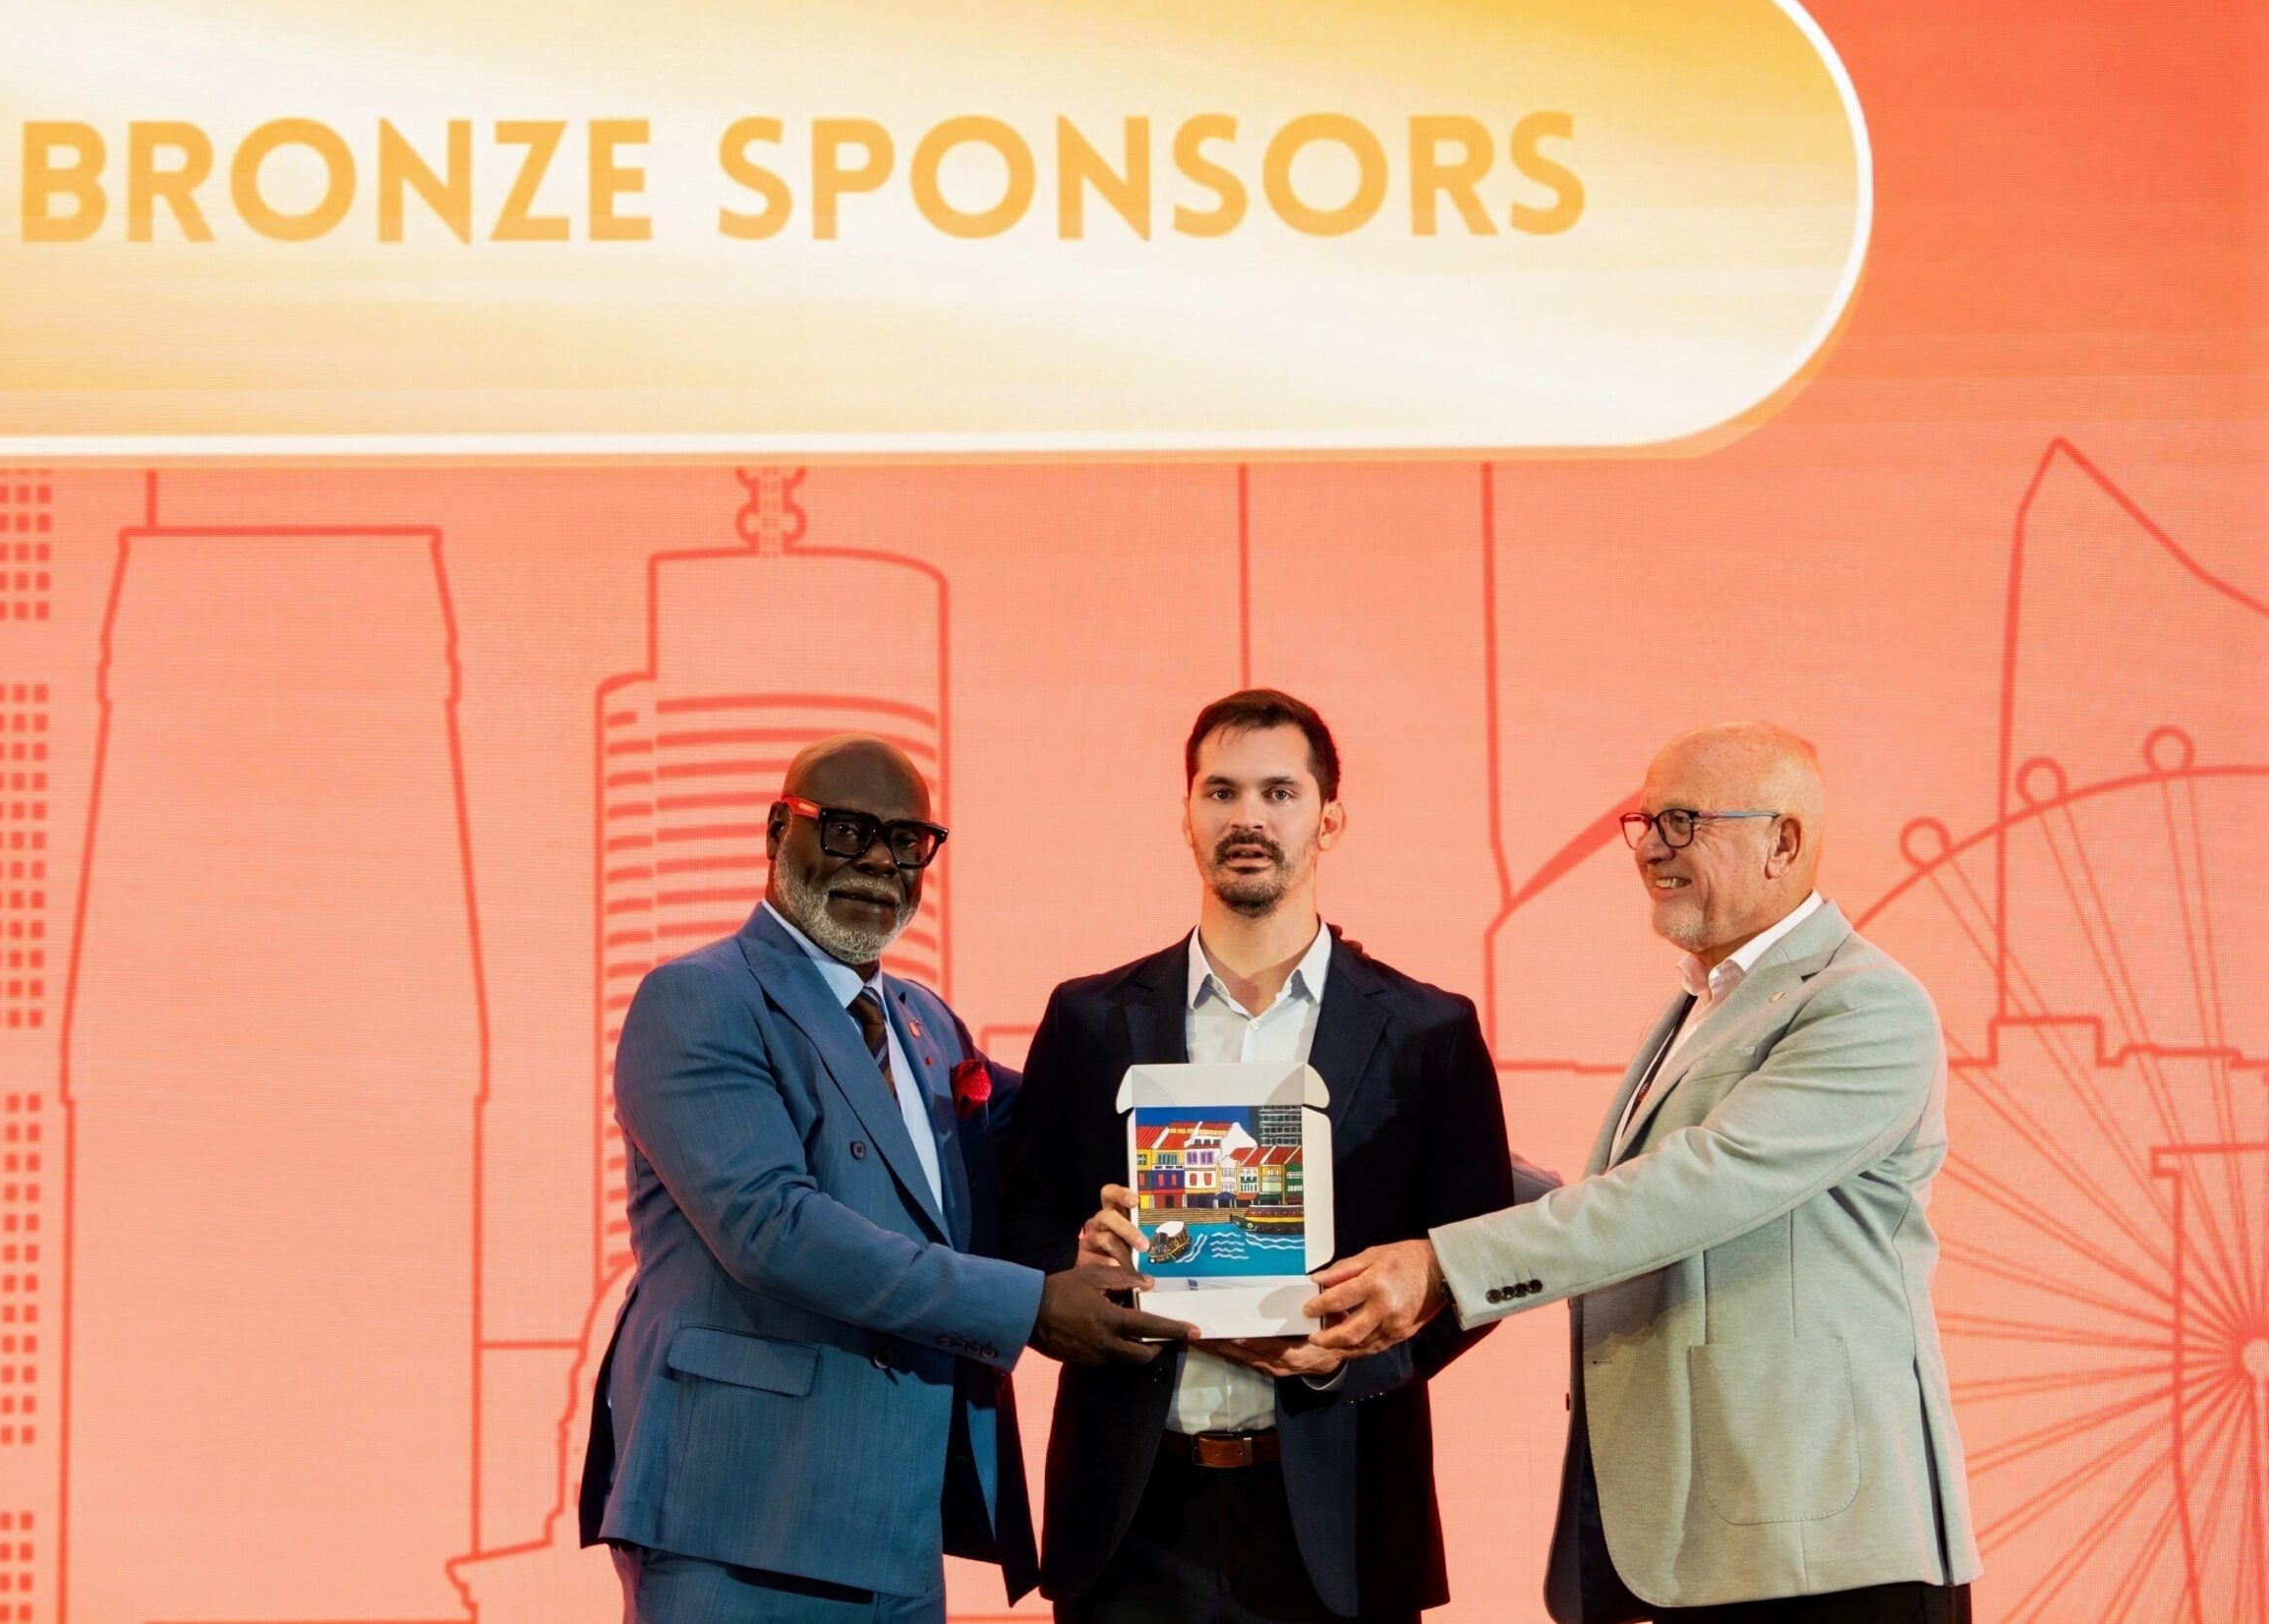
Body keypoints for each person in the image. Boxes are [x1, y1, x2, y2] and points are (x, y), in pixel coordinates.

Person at [1304, 723, 1980, 1623]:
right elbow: (1632, 1206)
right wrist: (1414, 1160)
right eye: (1644, 821)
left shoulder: (1864, 1003)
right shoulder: (1705, 1002)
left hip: (1830, 1554)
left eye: (1683, 821)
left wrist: (1444, 1264)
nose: (1651, 848)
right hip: (1718, 1544)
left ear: (1784, 840)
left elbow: (1692, 1190)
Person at [579, 735, 1194, 1623]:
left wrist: (1234, 1115)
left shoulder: (926, 1023)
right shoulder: (699, 998)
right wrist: (1030, 1305)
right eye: (847, 829)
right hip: (741, 1516)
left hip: (897, 1526)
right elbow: (773, 1228)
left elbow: (1060, 1135)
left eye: (907, 840)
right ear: (776, 831)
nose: (878, 860)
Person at [1001, 689, 1517, 1623]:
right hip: (1128, 1521)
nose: (1248, 817)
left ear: (1330, 818)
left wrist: (1341, 1358)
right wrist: (1074, 1268)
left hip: (1344, 1519)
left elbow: (1477, 1266)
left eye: (1279, 792)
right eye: (1222, 791)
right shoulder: (1088, 1017)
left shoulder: (1428, 1031)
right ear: (1187, 817)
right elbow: (1022, 1222)